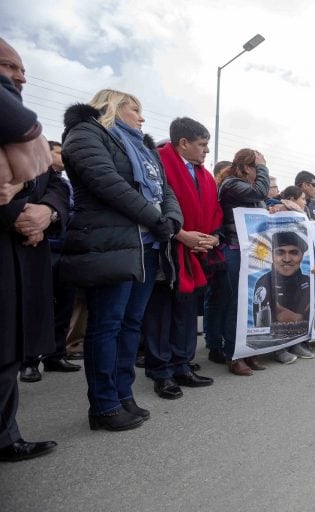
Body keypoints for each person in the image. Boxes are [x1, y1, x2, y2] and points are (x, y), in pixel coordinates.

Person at [61, 88, 182, 431]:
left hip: (147, 246)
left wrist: (172, 220)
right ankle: (104, 405)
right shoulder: (86, 133)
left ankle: (124, 395)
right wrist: (156, 219)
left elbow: (166, 190)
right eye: (135, 109)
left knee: (131, 325)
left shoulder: (145, 147)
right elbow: (108, 183)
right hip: (111, 243)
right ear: (112, 105)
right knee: (107, 325)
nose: (142, 118)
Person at [0, 38, 62, 461]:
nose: (21, 76)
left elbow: (55, 185)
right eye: (9, 67)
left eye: (22, 69)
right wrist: (20, 214)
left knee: (8, 356)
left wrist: (47, 213)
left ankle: (6, 436)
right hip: (7, 246)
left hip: (27, 256)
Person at [143, 117, 219, 398]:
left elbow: (214, 213)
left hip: (195, 253)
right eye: (202, 145)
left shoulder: (203, 175)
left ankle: (182, 364)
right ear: (183, 143)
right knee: (161, 313)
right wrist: (180, 234)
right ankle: (161, 372)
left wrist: (212, 238)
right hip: (166, 250)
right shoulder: (158, 163)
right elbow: (152, 204)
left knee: (186, 312)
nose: (206, 151)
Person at [18, 141, 81, 382]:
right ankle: (29, 360)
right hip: (35, 247)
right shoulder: (28, 170)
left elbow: (64, 206)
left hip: (66, 250)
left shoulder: (63, 182)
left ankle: (55, 354)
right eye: (58, 150)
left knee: (64, 303)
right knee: (36, 303)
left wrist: (51, 213)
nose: (64, 154)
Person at [213, 148, 270, 375]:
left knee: (253, 303)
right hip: (235, 249)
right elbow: (260, 192)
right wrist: (264, 167)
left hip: (253, 252)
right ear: (247, 168)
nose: (261, 172)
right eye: (258, 168)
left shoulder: (246, 189)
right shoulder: (232, 184)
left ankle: (249, 350)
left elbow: (258, 200)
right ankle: (233, 354)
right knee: (236, 304)